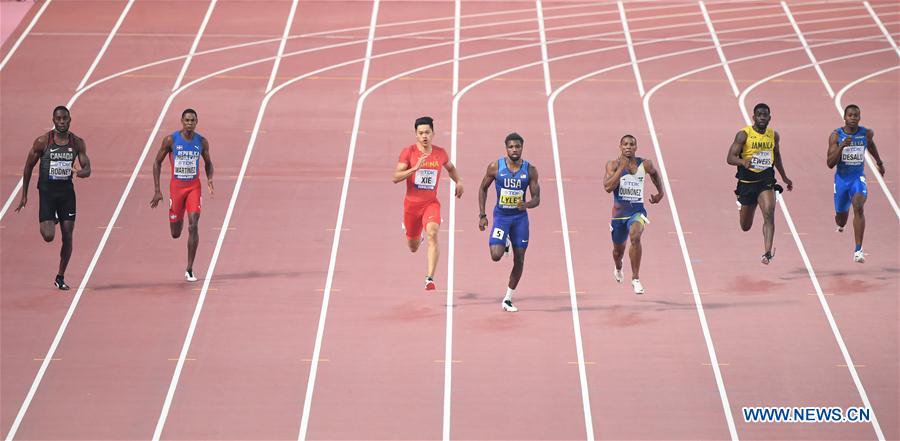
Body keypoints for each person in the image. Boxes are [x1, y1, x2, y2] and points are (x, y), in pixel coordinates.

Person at [15, 106, 92, 290]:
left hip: (66, 194)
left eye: (65, 118)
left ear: (70, 119)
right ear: (53, 120)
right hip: (47, 193)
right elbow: (28, 167)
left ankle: (60, 276)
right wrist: (24, 195)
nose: (62, 122)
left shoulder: (77, 143)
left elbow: (88, 168)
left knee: (68, 237)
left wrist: (80, 173)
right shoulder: (43, 142)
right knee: (48, 236)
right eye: (59, 119)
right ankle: (52, 219)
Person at [392, 116, 463, 290]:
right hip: (411, 206)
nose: (424, 136)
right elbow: (395, 177)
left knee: (432, 233)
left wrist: (459, 181)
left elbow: (451, 168)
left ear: (433, 133)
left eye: (427, 132)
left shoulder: (440, 153)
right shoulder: (408, 152)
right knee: (413, 247)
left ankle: (429, 278)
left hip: (431, 204)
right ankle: (415, 236)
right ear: (416, 135)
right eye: (421, 133)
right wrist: (414, 169)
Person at [477, 132, 541, 312]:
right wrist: (482, 215)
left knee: (519, 259)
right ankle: (504, 241)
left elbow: (537, 199)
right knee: (496, 256)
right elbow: (482, 189)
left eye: (517, 146)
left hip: (520, 219)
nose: (514, 150)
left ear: (522, 148)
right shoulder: (495, 167)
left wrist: (526, 204)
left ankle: (508, 298)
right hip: (501, 217)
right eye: (511, 147)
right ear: (506, 148)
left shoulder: (530, 170)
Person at [150, 108, 214, 282]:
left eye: (193, 120)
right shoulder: (171, 140)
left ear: (196, 122)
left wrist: (209, 179)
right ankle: (177, 215)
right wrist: (157, 190)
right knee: (175, 233)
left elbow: (208, 163)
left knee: (193, 225)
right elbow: (156, 162)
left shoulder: (202, 142)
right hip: (176, 189)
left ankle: (190, 268)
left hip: (194, 187)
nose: (189, 123)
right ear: (181, 121)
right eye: (187, 120)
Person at [726, 103, 793, 264]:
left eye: (765, 115)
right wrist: (742, 162)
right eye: (759, 115)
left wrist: (784, 177)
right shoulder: (743, 135)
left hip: (765, 181)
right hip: (747, 182)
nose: (762, 117)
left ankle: (767, 253)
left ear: (769, 118)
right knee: (745, 226)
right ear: (754, 117)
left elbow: (776, 156)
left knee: (769, 214)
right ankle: (743, 205)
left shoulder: (773, 135)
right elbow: (730, 158)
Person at [603, 134, 664, 294]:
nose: (628, 147)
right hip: (618, 216)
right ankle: (618, 266)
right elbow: (608, 187)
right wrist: (621, 169)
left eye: (631, 144)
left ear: (636, 147)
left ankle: (635, 278)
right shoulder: (613, 165)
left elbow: (655, 174)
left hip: (636, 212)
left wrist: (660, 192)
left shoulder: (645, 164)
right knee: (618, 252)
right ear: (620, 147)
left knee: (635, 236)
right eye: (625, 144)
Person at [827, 104, 885, 263]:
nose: (853, 118)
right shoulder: (835, 136)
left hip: (857, 178)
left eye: (856, 116)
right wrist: (841, 147)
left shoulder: (866, 133)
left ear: (860, 117)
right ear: (844, 117)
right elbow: (830, 163)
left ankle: (858, 250)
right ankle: (841, 224)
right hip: (841, 180)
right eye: (850, 115)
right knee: (841, 218)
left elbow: (871, 145)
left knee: (859, 207)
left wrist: (879, 162)